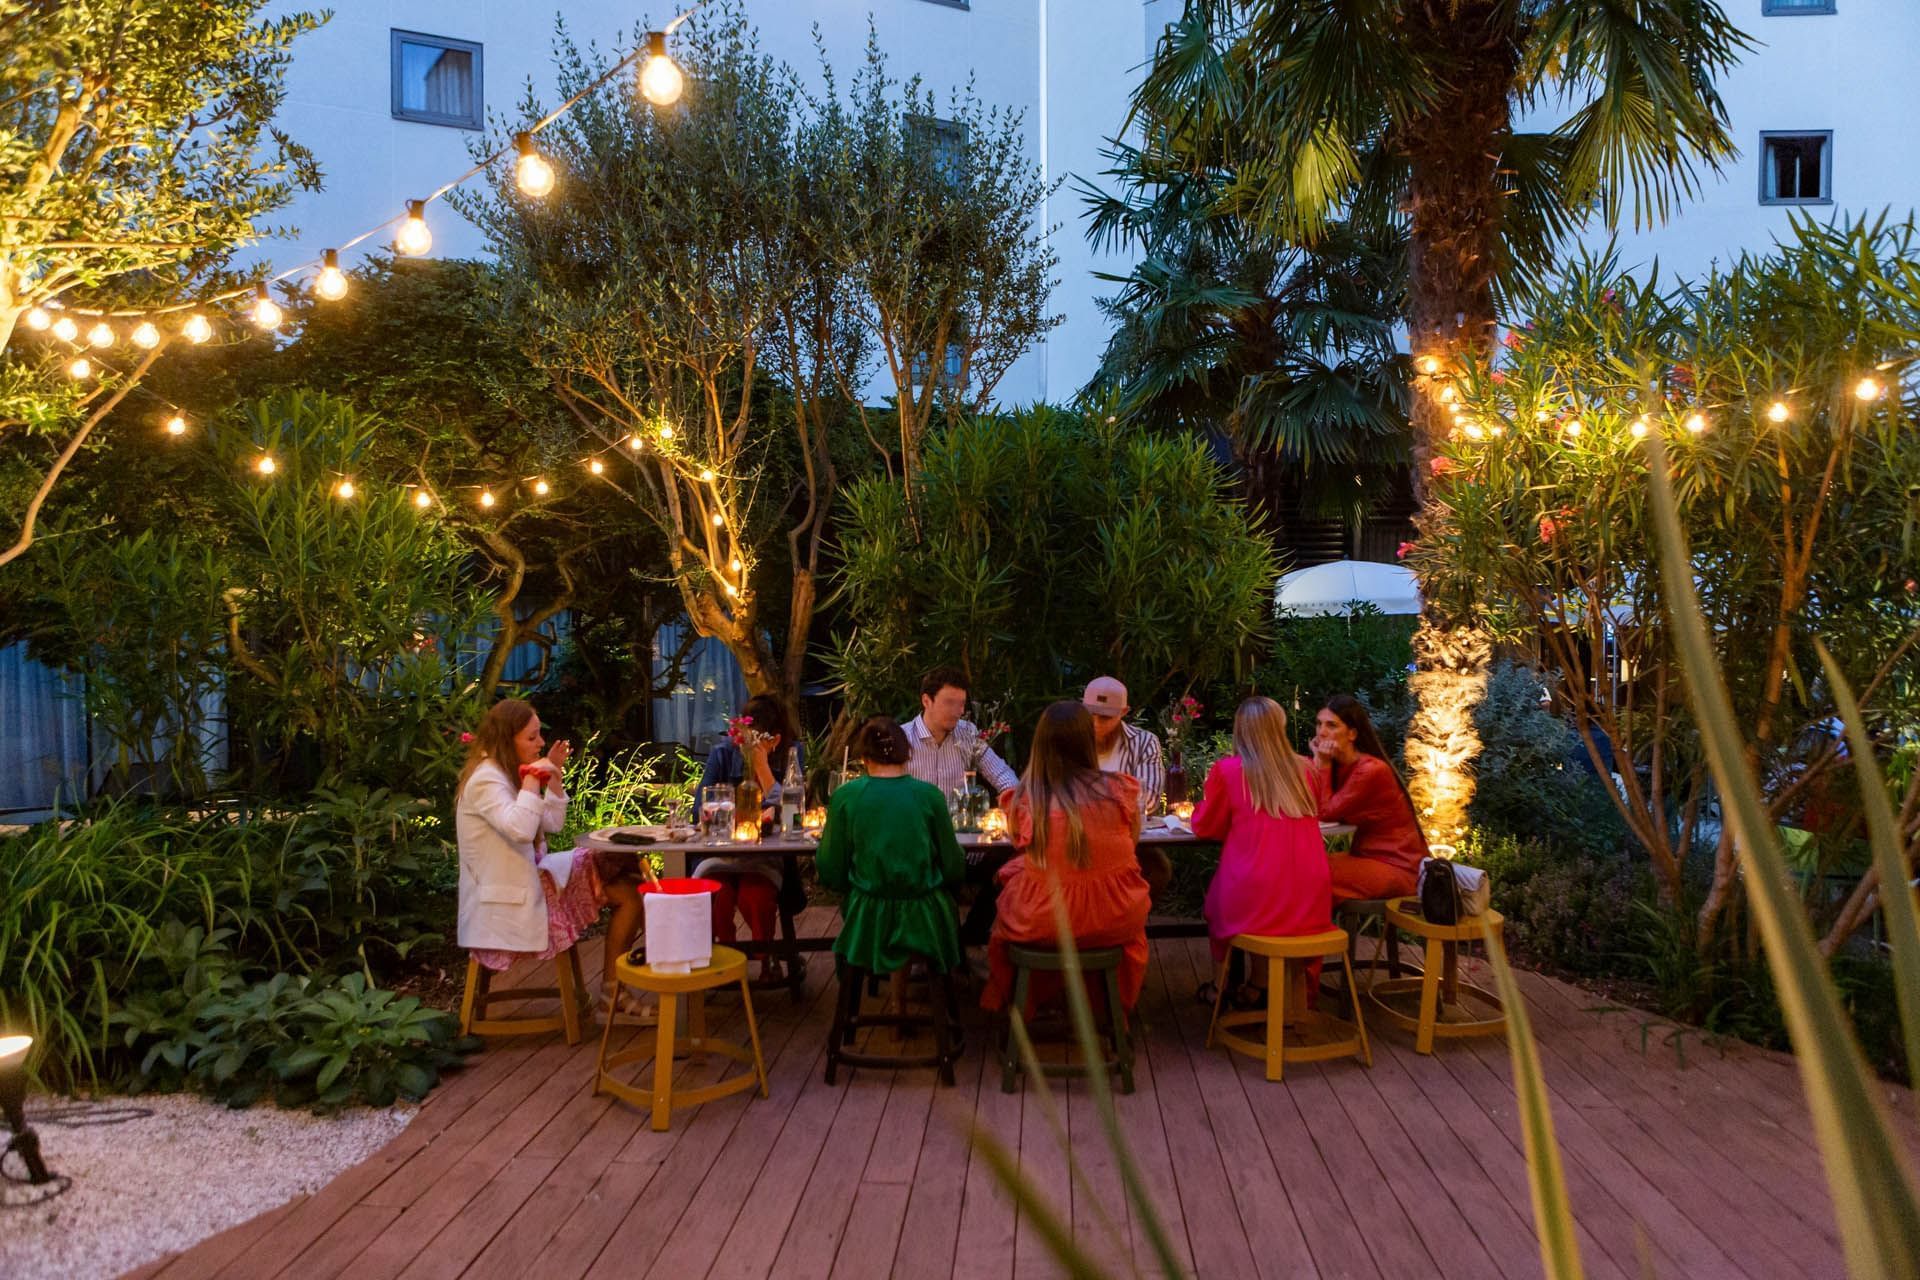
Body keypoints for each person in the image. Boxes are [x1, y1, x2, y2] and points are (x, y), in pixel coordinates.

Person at [457, 699, 641, 1017]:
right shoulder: (487, 780)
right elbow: (520, 830)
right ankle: (616, 991)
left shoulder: (504, 773)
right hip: (506, 900)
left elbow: (551, 824)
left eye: (539, 735)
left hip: (530, 881)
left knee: (628, 881)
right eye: (532, 737)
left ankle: (617, 990)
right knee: (628, 894)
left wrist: (553, 777)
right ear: (505, 740)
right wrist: (531, 778)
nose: (541, 743)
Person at [980, 702, 1152, 1018]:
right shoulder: (1120, 790)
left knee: (1006, 900)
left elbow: (1022, 846)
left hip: (1046, 921)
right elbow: (1132, 842)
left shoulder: (1024, 800)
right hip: (1112, 916)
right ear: (1088, 741)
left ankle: (1032, 1001)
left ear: (1040, 743)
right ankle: (1094, 1005)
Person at [1193, 697, 1332, 1005]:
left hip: (1255, 890)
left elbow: (1206, 827)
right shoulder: (1307, 769)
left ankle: (1220, 987)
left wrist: (1197, 809)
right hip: (1310, 895)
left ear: (1240, 730)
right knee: (1267, 899)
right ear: (1279, 727)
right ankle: (1259, 986)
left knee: (1222, 903)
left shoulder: (1228, 771)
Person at [815, 716, 967, 978]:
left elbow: (830, 867)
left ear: (864, 758)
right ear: (907, 753)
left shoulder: (846, 796)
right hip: (925, 915)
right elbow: (953, 865)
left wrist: (854, 887)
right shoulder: (929, 796)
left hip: (867, 914)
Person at [693, 692, 806, 981]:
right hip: (722, 855)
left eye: (756, 740)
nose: (745, 745)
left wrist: (763, 768)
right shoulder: (722, 754)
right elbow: (699, 810)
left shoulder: (791, 755)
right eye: (743, 738)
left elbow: (794, 812)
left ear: (775, 740)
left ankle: (766, 958)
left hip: (765, 856)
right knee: (718, 895)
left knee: (755, 896)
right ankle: (726, 957)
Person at [905, 666, 1018, 943]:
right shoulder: (902, 739)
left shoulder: (967, 734)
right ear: (926, 700)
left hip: (964, 849)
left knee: (1015, 860)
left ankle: (971, 934)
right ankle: (936, 945)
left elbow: (1004, 777)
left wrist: (1014, 802)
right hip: (918, 850)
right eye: (949, 703)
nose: (957, 711)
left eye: (961, 704)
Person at [1311, 694, 1429, 905]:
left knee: (1310, 874)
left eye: (1331, 725)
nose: (1321, 732)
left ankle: (1315, 934)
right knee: (1298, 865)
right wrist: (1319, 764)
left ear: (1352, 734)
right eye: (1319, 724)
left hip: (1397, 867)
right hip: (1365, 857)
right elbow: (1313, 802)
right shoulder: (1339, 768)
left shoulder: (1371, 770)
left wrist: (1322, 764)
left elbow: (1325, 811)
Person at [1082, 675, 1172, 896]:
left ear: (1123, 712)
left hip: (1126, 838)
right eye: (1090, 715)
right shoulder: (1070, 737)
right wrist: (1118, 796)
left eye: (1104, 718)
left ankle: (1129, 922)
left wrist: (1088, 799)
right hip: (1077, 835)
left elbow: (1148, 800)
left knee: (1157, 869)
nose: (1095, 724)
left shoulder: (1144, 743)